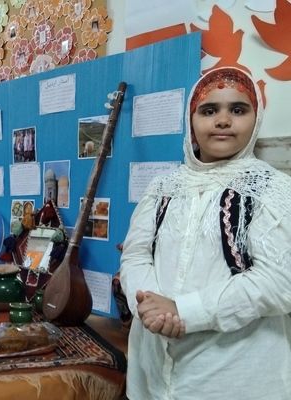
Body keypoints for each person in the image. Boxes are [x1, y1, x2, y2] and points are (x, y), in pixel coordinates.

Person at [120, 67, 291, 400]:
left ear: (256, 119)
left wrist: (184, 311)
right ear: (191, 120)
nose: (223, 121)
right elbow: (136, 254)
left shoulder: (273, 190)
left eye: (238, 110)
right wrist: (151, 307)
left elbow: (279, 282)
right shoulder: (163, 187)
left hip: (232, 376)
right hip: (152, 369)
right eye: (209, 110)